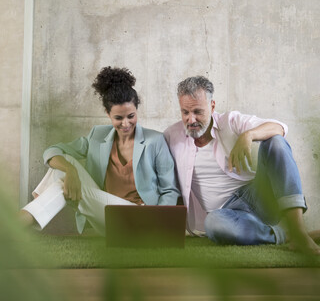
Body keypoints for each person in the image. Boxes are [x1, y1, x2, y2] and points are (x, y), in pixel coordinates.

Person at [164, 76, 320, 255]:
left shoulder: (230, 121)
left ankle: (298, 230)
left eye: (197, 112)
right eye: (185, 112)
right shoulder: (172, 136)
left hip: (257, 199)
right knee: (213, 224)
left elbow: (279, 127)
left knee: (275, 142)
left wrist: (249, 135)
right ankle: (288, 235)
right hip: (225, 215)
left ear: (212, 106)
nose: (191, 120)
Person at [20, 67, 180, 236]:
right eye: (119, 118)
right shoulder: (97, 135)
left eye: (131, 116)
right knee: (63, 166)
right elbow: (53, 150)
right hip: (105, 217)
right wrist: (71, 170)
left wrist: (160, 224)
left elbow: (170, 190)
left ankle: (19, 223)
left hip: (141, 219)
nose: (126, 124)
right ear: (108, 114)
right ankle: (20, 223)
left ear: (136, 110)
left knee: (61, 180)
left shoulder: (155, 140)